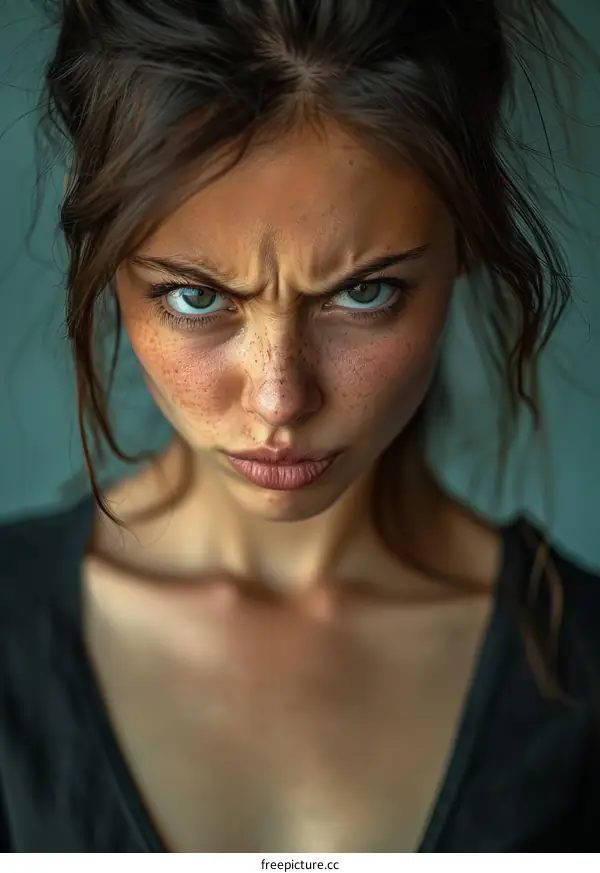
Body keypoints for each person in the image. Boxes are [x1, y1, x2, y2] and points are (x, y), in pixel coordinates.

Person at [0, 0, 598, 854]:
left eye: (364, 292)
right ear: (96, 235)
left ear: (469, 224)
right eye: (196, 296)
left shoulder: (583, 672)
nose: (280, 400)